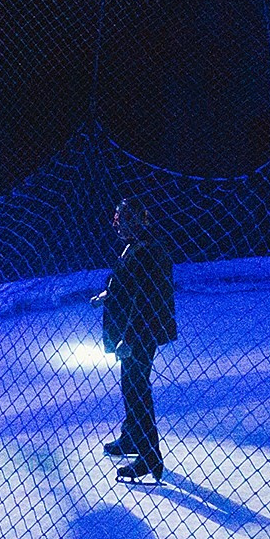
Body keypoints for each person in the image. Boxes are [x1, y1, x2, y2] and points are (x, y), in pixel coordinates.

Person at [96, 199, 177, 484]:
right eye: (117, 219)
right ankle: (131, 438)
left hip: (140, 332)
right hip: (136, 330)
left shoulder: (146, 250)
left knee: (137, 390)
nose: (116, 226)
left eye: (122, 220)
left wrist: (128, 338)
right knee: (131, 386)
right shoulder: (138, 246)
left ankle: (149, 457)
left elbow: (144, 300)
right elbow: (129, 286)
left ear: (137, 221)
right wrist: (108, 295)